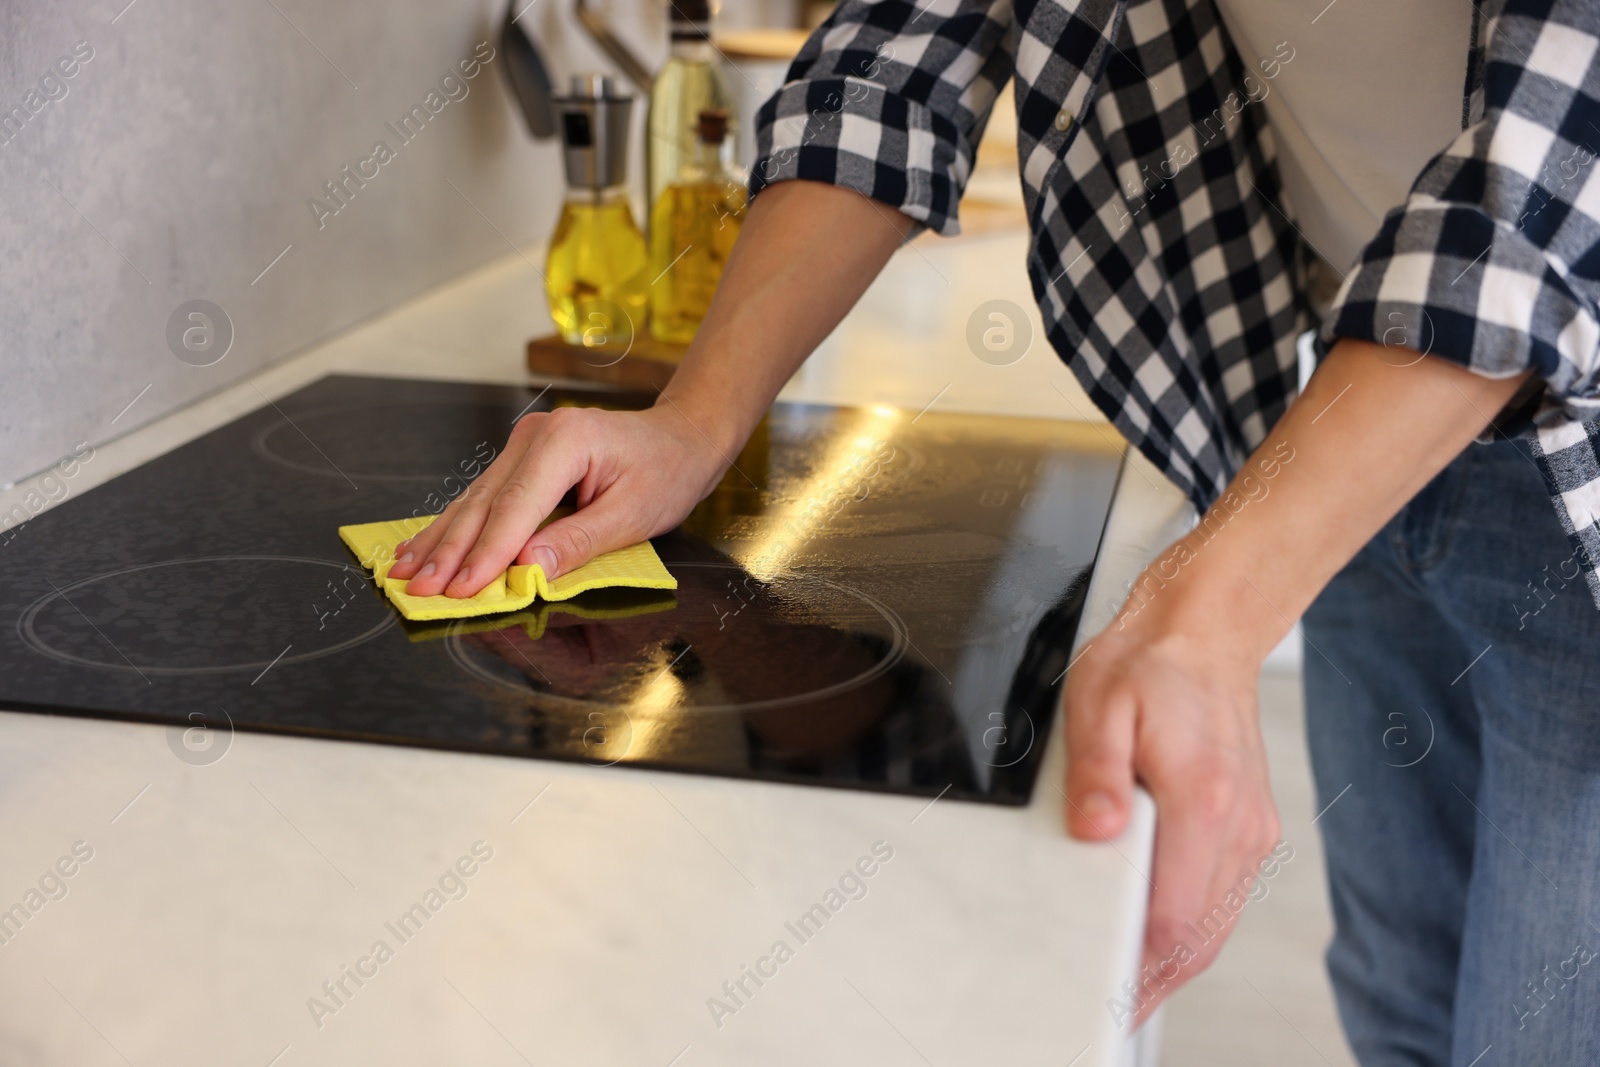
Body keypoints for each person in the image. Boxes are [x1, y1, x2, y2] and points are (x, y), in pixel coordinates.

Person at [389, 0, 1600, 1059]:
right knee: (1405, 1000)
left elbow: (1539, 185)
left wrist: (1204, 608)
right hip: (1356, 402)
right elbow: (904, 51)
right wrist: (692, 421)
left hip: (1568, 451)